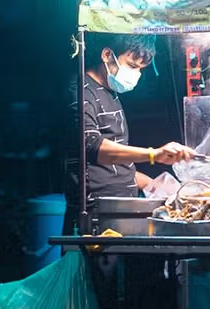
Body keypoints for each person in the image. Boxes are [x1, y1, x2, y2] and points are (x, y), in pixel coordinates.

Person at [74, 33, 194, 214]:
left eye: (141, 69)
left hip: (123, 204)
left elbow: (116, 164)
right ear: (107, 55)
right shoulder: (82, 92)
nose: (136, 74)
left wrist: (152, 184)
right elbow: (92, 147)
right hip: (98, 210)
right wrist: (154, 154)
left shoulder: (109, 92)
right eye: (132, 66)